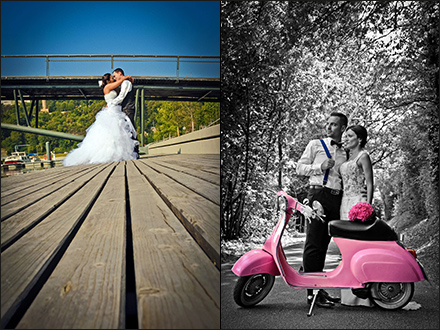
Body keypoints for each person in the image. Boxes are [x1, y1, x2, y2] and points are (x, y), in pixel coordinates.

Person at [296, 112, 348, 308]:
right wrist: (320, 166)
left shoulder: (347, 151)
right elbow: (299, 168)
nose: (328, 127)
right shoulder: (315, 144)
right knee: (314, 245)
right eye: (328, 124)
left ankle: (318, 287)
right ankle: (312, 294)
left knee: (325, 246)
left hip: (339, 199)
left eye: (334, 125)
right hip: (318, 195)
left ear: (343, 128)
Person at [63, 73, 139, 166]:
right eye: (112, 78)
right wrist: (126, 77)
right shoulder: (107, 87)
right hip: (112, 112)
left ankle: (117, 153)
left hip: (116, 111)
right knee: (110, 133)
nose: (114, 78)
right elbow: (119, 83)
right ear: (107, 81)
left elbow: (118, 93)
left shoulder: (114, 87)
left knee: (118, 133)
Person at [338, 124, 374, 307]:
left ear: (359, 139)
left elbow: (369, 183)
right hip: (344, 203)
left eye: (349, 136)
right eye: (345, 136)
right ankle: (349, 296)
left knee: (359, 247)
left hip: (357, 202)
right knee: (347, 248)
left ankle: (364, 294)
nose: (345, 139)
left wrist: (367, 207)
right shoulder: (347, 157)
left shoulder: (363, 156)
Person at [112, 68, 140, 158]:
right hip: (126, 109)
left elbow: (121, 97)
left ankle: (135, 152)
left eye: (114, 76)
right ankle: (132, 152)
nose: (114, 78)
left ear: (120, 73)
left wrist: (111, 103)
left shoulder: (126, 83)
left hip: (128, 109)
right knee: (127, 130)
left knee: (130, 130)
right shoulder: (124, 82)